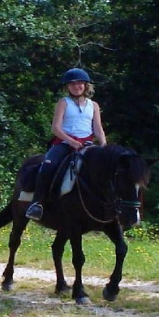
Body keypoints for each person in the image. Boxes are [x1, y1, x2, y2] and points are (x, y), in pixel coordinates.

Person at [26, 68, 107, 221]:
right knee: (48, 164)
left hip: (87, 144)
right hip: (65, 142)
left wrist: (103, 144)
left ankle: (107, 205)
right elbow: (55, 128)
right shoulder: (63, 103)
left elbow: (98, 127)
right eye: (73, 84)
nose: (77, 87)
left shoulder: (93, 105)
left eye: (80, 84)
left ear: (86, 85)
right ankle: (37, 204)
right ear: (68, 86)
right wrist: (71, 141)